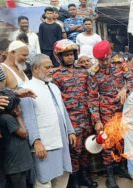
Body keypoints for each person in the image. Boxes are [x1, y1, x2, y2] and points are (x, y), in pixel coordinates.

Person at [20, 54, 76, 188]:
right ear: (35, 69)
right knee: (43, 181)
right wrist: (36, 142)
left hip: (62, 142)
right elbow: (29, 118)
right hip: (45, 144)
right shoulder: (27, 88)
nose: (51, 70)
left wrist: (70, 130)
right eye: (47, 67)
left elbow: (63, 111)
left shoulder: (54, 87)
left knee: (63, 177)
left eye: (52, 66)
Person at [90, 40, 133, 188]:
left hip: (123, 111)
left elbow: (132, 79)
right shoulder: (93, 73)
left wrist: (125, 89)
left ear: (110, 55)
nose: (103, 62)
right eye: (100, 59)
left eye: (106, 58)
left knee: (123, 140)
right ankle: (110, 175)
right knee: (108, 143)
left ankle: (122, 168)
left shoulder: (120, 66)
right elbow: (91, 98)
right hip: (106, 113)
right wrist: (97, 120)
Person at [52, 39, 98, 188]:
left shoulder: (83, 72)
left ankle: (85, 176)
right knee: (74, 151)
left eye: (71, 54)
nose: (70, 57)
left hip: (86, 118)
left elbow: (91, 94)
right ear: (60, 57)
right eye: (66, 55)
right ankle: (74, 180)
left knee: (86, 149)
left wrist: (94, 117)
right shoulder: (56, 75)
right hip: (71, 121)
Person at [0, 89, 33, 188]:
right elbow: (24, 133)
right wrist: (19, 116)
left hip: (17, 162)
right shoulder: (7, 118)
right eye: (16, 105)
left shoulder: (6, 117)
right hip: (15, 164)